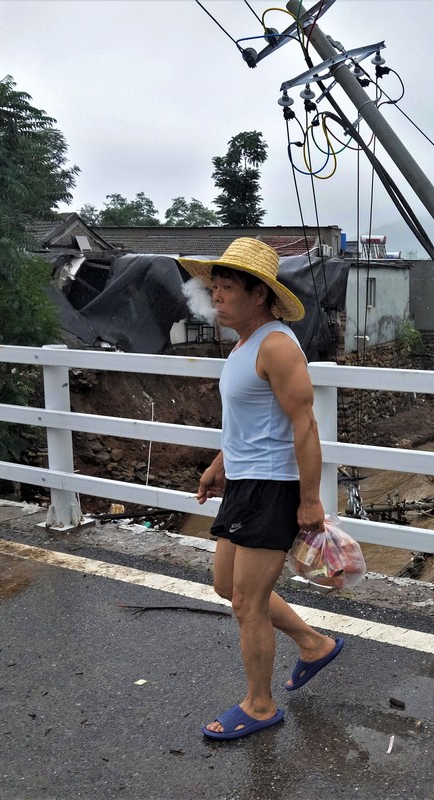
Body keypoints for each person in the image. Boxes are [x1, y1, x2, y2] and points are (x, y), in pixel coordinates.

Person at [179, 238, 345, 741]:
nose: (217, 298)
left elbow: (304, 425)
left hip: (274, 487)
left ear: (260, 295)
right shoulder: (243, 344)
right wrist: (218, 464)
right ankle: (314, 645)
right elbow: (250, 422)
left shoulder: (276, 344)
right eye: (215, 289)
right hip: (244, 483)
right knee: (227, 588)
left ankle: (259, 705)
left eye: (227, 289)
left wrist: (311, 501)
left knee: (247, 603)